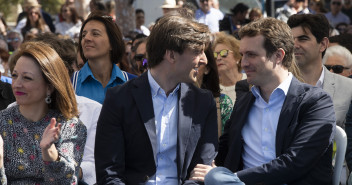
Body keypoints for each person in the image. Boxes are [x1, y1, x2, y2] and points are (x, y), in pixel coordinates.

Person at [190, 17, 335, 185]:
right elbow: (224, 149)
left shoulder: (316, 102)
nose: (243, 63)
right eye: (242, 55)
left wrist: (229, 179)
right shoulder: (245, 100)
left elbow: (295, 163)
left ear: (278, 55)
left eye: (251, 55)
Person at [95, 14, 218, 184]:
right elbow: (109, 172)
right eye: (197, 52)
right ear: (172, 55)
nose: (204, 60)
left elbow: (201, 171)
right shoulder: (119, 98)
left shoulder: (203, 102)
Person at [0, 41, 87, 184]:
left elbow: (67, 181)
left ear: (49, 87)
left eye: (27, 77)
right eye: (14, 75)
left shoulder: (69, 126)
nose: (17, 84)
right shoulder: (2, 121)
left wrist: (49, 152)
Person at [287, 13, 352, 128]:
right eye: (291, 40)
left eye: (303, 39)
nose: (295, 45)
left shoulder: (348, 87)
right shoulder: (275, 86)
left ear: (323, 44)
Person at [74, 12, 129, 104]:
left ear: (112, 43)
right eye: (83, 35)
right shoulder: (71, 84)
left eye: (95, 34)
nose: (86, 38)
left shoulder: (132, 83)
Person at [196, 43, 233, 136]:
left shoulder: (222, 103)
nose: (193, 66)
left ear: (207, 69)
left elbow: (228, 143)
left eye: (198, 64)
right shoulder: (173, 98)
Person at [213, 32, 246, 104]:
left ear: (237, 57)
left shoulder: (250, 81)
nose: (218, 58)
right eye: (215, 55)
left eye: (224, 53)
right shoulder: (213, 89)